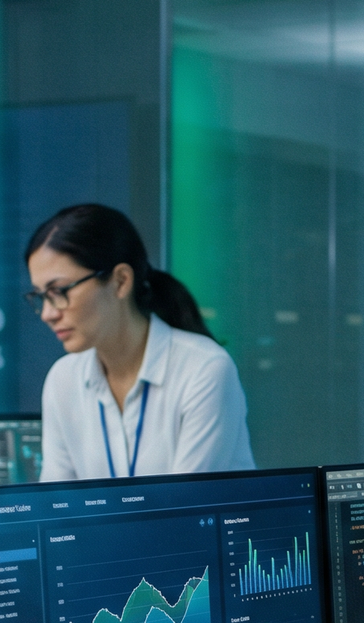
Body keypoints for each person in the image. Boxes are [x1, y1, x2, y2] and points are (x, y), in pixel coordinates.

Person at [26, 203, 254, 479]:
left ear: (121, 281)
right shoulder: (63, 379)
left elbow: (186, 510)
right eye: (40, 297)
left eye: (59, 291)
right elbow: (56, 507)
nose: (48, 314)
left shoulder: (204, 369)